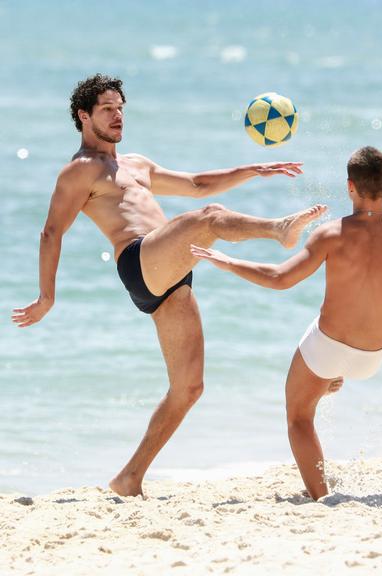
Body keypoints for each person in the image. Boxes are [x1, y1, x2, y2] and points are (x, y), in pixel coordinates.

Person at [11, 73, 326, 497]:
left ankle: (129, 477)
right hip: (139, 261)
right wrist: (47, 295)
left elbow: (196, 184)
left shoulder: (135, 163)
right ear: (84, 116)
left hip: (171, 273)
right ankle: (279, 229)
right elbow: (51, 231)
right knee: (211, 217)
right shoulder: (80, 170)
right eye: (107, 108)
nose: (117, 114)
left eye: (120, 106)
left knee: (189, 387)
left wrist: (252, 170)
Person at [191, 146, 382, 501]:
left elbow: (279, 278)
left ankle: (321, 495)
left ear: (350, 186)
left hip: (327, 349)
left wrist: (228, 262)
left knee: (299, 416)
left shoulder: (331, 234)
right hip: (371, 356)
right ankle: (336, 371)